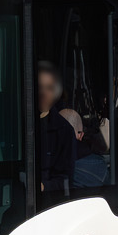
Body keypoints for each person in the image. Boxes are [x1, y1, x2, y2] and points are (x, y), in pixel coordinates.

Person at [35, 61, 77, 199]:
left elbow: (65, 180)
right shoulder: (16, 125)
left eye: (49, 88)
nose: (43, 93)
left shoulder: (64, 131)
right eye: (39, 87)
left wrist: (44, 186)